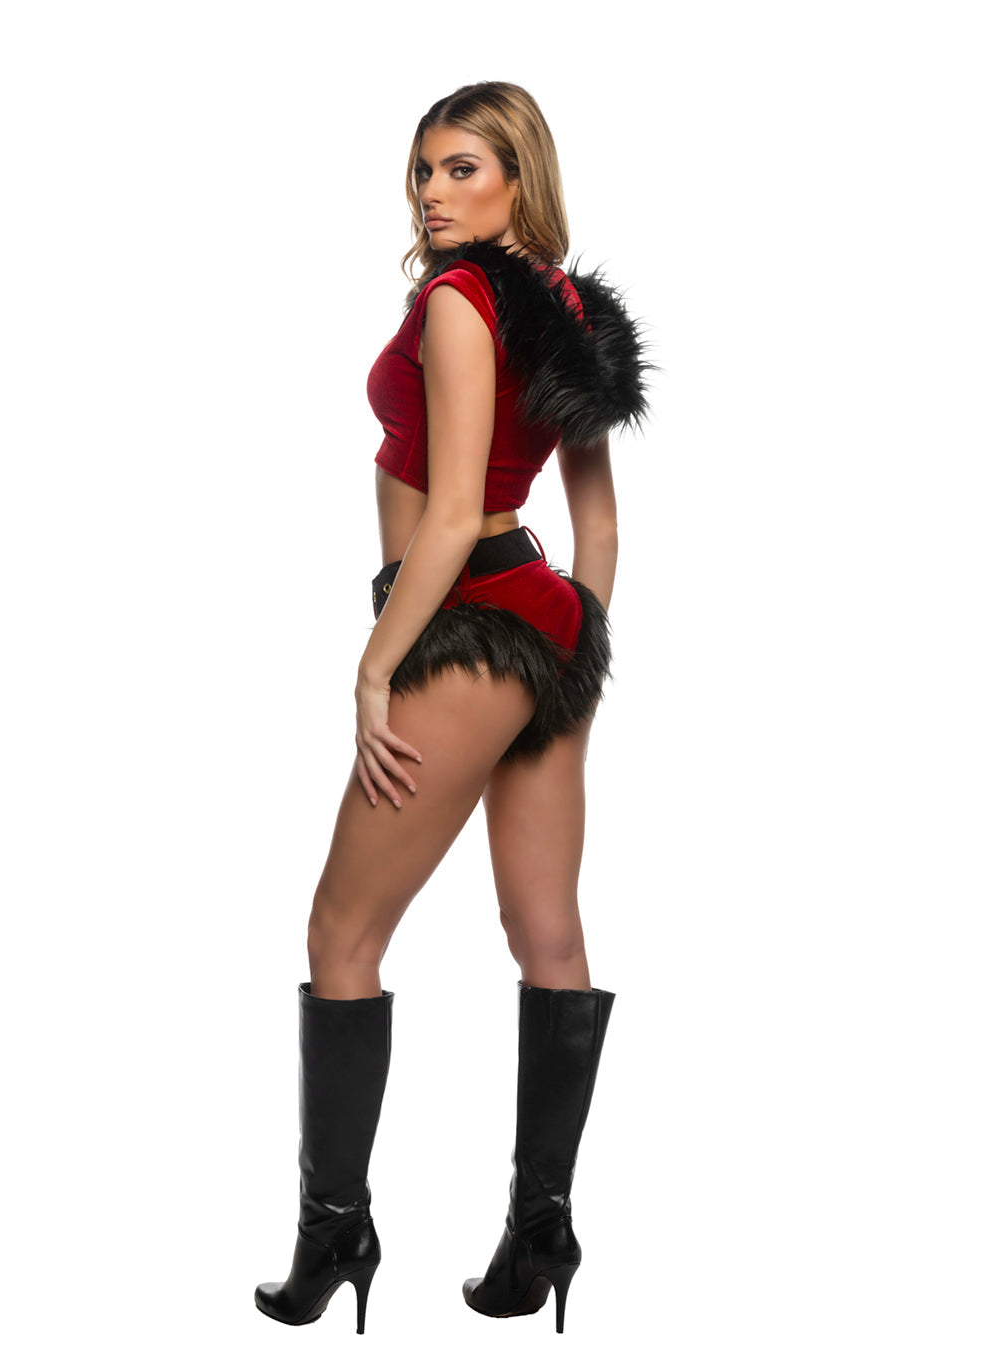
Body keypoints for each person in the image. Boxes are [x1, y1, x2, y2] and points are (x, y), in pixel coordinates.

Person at [254, 80, 652, 1335]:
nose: (432, 192)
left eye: (462, 169)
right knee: (548, 935)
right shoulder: (566, 308)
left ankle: (335, 1234)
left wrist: (378, 667)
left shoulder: (460, 301)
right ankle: (541, 1236)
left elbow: (445, 519)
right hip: (545, 622)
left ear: (520, 179)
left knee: (341, 935)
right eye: (423, 169)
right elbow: (597, 529)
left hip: (464, 620)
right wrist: (572, 659)